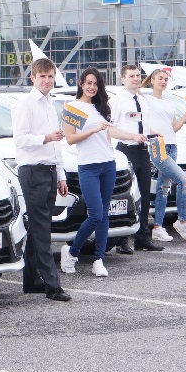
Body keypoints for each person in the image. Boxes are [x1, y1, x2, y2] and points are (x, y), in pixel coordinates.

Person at [12, 58, 71, 301]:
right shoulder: (25, 105)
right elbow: (21, 139)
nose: (47, 81)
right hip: (33, 170)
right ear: (33, 78)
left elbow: (57, 144)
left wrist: (61, 175)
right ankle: (52, 285)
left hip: (48, 170)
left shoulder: (50, 104)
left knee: (40, 226)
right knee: (42, 228)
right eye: (42, 77)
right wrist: (45, 137)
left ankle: (32, 280)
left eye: (50, 76)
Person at [59, 66, 126, 277]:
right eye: (88, 83)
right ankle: (71, 252)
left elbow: (108, 135)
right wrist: (92, 130)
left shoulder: (101, 108)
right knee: (95, 214)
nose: (92, 87)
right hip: (88, 166)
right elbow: (70, 139)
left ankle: (99, 259)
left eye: (96, 84)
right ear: (81, 84)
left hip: (108, 163)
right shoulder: (73, 107)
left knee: (104, 214)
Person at [109, 65, 164, 252]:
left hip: (143, 150)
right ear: (122, 79)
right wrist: (131, 136)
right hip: (126, 150)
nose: (135, 79)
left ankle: (142, 237)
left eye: (138, 76)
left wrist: (153, 133)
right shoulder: (117, 101)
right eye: (131, 76)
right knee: (127, 195)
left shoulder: (142, 99)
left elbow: (142, 125)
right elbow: (110, 128)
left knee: (145, 194)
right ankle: (121, 240)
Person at [141, 69, 186, 242]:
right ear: (152, 80)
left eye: (166, 79)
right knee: (184, 180)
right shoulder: (145, 99)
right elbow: (141, 121)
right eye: (160, 78)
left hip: (172, 145)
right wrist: (151, 133)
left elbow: (173, 127)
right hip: (158, 145)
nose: (163, 82)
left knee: (163, 188)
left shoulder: (169, 102)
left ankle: (157, 227)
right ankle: (182, 221)